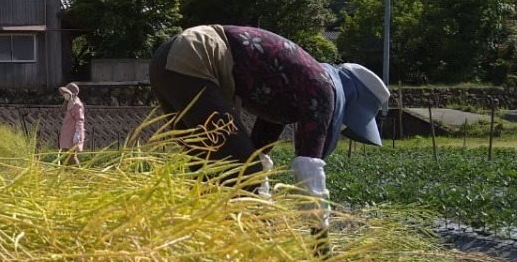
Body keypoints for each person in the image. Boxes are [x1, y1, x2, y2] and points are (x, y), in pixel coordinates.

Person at [148, 24, 390, 242]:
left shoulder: (294, 89)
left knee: (210, 170)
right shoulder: (323, 90)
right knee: (243, 170)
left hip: (168, 60)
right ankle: (259, 254)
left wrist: (263, 198)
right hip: (197, 58)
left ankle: (201, 249)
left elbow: (259, 151)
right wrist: (320, 239)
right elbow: (309, 168)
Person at [58, 82, 85, 163]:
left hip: (72, 136)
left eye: (66, 93)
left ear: (72, 94)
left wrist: (77, 133)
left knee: (71, 157)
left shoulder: (77, 105)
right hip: (67, 135)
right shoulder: (70, 103)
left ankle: (79, 174)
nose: (64, 95)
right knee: (66, 156)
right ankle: (69, 174)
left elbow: (80, 120)